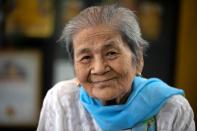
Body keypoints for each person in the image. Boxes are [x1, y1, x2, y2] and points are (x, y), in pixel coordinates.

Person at [37, 4, 195, 131]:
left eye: (111, 53)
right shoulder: (61, 101)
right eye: (85, 57)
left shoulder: (172, 110)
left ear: (138, 58)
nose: (98, 68)